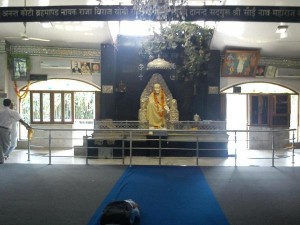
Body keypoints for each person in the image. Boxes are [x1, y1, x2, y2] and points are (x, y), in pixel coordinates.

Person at [0, 99, 31, 164]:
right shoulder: (12, 112)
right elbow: (20, 120)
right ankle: (2, 156)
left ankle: (1, 159)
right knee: (7, 146)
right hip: (5, 130)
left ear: (3, 104)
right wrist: (26, 125)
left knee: (1, 145)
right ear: (10, 104)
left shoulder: (1, 112)